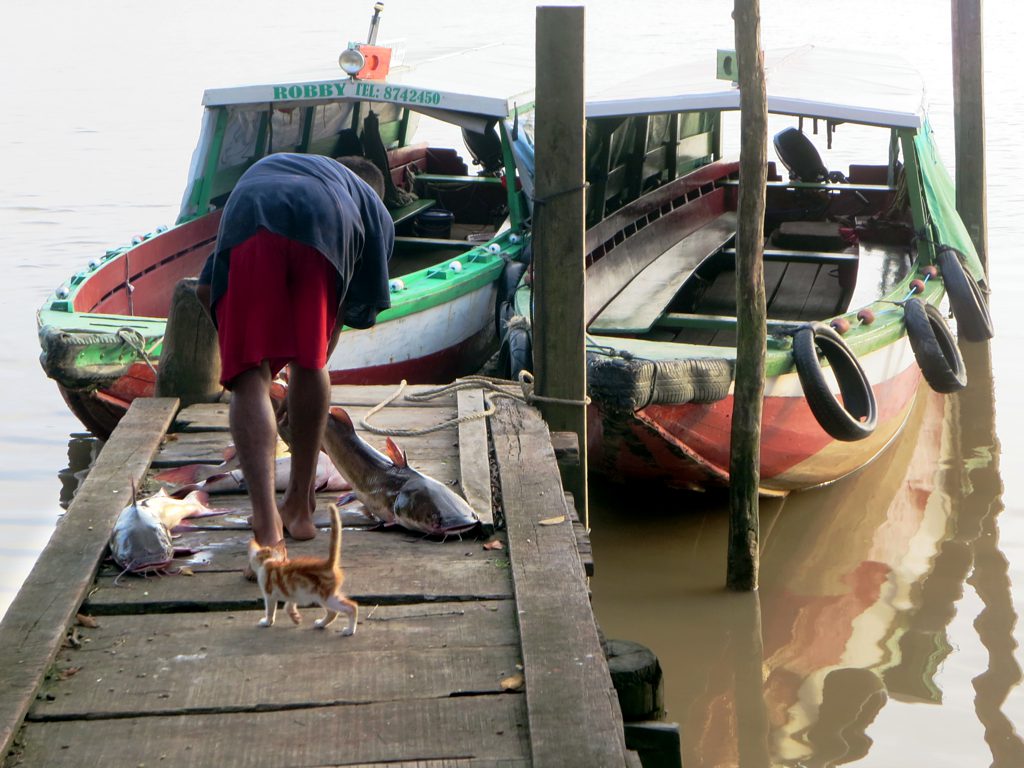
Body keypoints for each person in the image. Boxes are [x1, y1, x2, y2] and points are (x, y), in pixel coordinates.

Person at [197, 152, 394, 549]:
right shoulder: (372, 210)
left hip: (253, 206)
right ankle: (300, 509)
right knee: (312, 361)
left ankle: (268, 533)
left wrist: (252, 366)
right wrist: (301, 370)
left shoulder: (280, 168)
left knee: (249, 378)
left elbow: (206, 290)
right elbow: (331, 331)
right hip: (327, 220)